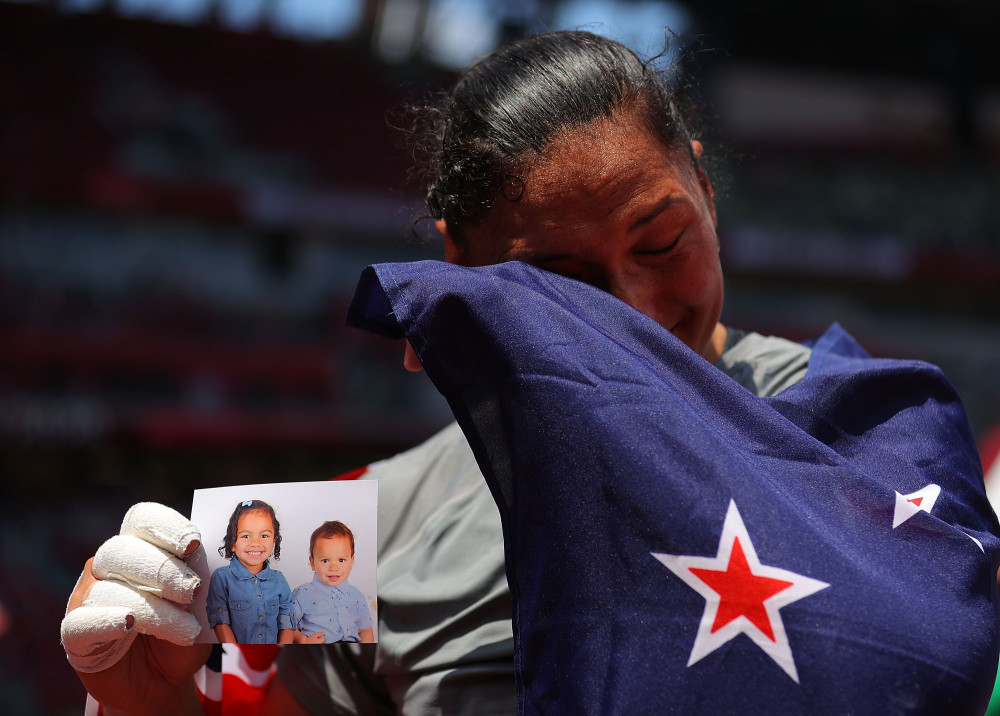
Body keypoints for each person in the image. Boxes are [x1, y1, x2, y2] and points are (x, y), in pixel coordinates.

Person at [59, 30, 996, 715]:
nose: (634, 311)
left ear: (706, 192)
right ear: (460, 270)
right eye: (561, 288)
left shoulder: (874, 442)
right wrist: (144, 704)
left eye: (662, 241)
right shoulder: (349, 529)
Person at [206, 499, 296, 645]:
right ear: (232, 543)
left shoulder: (279, 580)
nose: (256, 543)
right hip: (240, 658)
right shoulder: (222, 578)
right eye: (246, 536)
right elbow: (220, 622)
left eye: (264, 536)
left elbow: (287, 622)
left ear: (274, 541)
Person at [292, 521, 374, 644]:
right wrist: (303, 640)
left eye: (341, 560)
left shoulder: (356, 596)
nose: (334, 568)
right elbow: (286, 626)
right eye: (325, 561)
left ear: (351, 561)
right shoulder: (302, 594)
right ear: (313, 563)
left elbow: (365, 630)